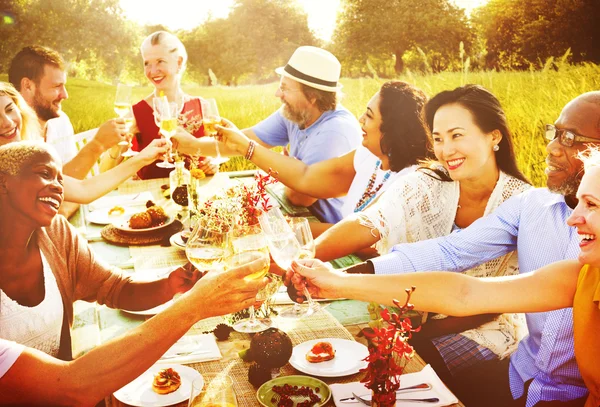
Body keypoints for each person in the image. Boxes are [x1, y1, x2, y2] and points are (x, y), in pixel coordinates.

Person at [336, 91, 600, 407]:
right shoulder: (532, 209)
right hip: (520, 378)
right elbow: (452, 256)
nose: (552, 147)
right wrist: (350, 276)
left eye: (569, 138)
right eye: (554, 133)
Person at [0, 140, 268, 406]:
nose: (58, 186)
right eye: (44, 174)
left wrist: (168, 286)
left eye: (60, 178)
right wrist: (194, 306)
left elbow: (115, 288)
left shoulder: (56, 234)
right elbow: (70, 390)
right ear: (3, 181)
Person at [173, 45, 362, 224]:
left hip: (328, 229)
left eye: (285, 88)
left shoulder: (334, 131)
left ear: (312, 96)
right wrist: (191, 144)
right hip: (299, 216)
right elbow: (244, 140)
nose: (277, 93)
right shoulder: (295, 113)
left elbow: (300, 198)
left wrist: (285, 172)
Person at [216, 81, 429, 236]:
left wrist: (282, 229)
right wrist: (246, 147)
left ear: (393, 132)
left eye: (370, 116)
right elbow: (307, 177)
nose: (360, 119)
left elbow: (366, 241)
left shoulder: (412, 183)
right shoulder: (368, 156)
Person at [0, 81, 168, 204]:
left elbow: (84, 190)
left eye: (9, 110)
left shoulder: (24, 159)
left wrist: (145, 157)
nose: (7, 122)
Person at [8, 45, 128, 217]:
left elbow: (73, 185)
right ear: (28, 86)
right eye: (57, 86)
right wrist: (97, 145)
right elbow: (46, 202)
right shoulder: (11, 134)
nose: (65, 94)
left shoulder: (60, 121)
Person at [131, 31, 218, 179]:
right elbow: (107, 169)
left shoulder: (202, 107)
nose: (152, 71)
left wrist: (213, 162)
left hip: (197, 195)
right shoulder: (135, 113)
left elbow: (216, 151)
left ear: (178, 62)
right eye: (147, 63)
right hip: (153, 198)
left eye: (160, 61)